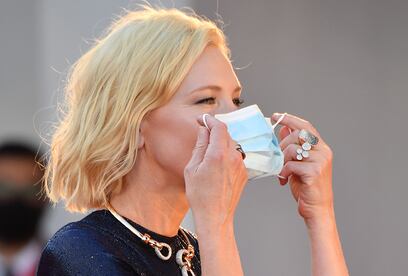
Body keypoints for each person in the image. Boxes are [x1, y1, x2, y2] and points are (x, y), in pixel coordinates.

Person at [37, 4, 349, 276]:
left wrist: (320, 214)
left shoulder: (193, 250)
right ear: (134, 123)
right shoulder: (81, 252)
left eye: (236, 101)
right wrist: (216, 222)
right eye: (206, 101)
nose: (234, 120)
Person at [0, 141, 46, 276]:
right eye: (4, 189)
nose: (16, 200)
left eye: (30, 191)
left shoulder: (68, 266)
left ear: (47, 197)